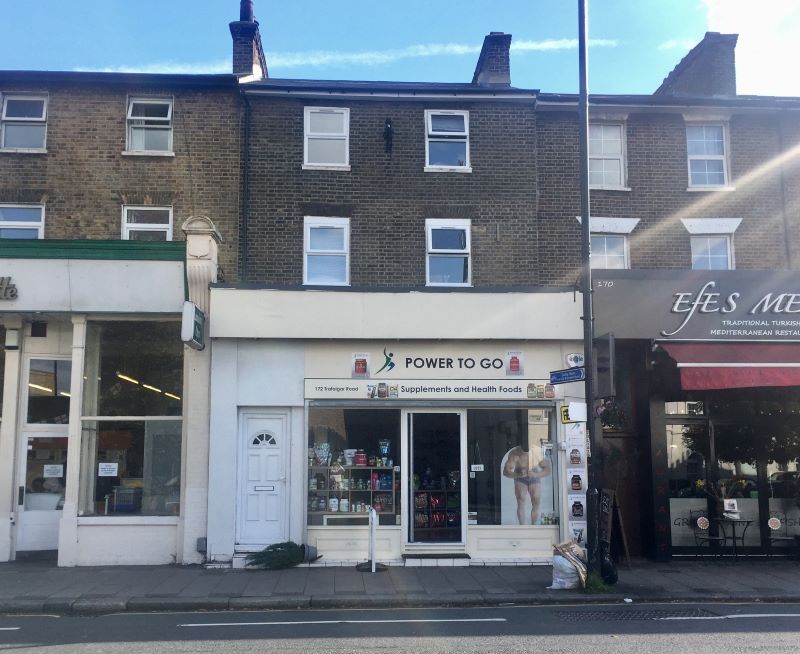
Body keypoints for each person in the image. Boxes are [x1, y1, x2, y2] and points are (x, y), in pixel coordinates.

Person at [503, 444, 551, 525]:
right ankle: (522, 526)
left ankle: (533, 525)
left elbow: (548, 470)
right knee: (521, 498)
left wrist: (536, 475)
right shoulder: (515, 453)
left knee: (536, 499)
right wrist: (518, 475)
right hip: (520, 476)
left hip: (534, 475)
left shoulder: (536, 452)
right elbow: (505, 472)